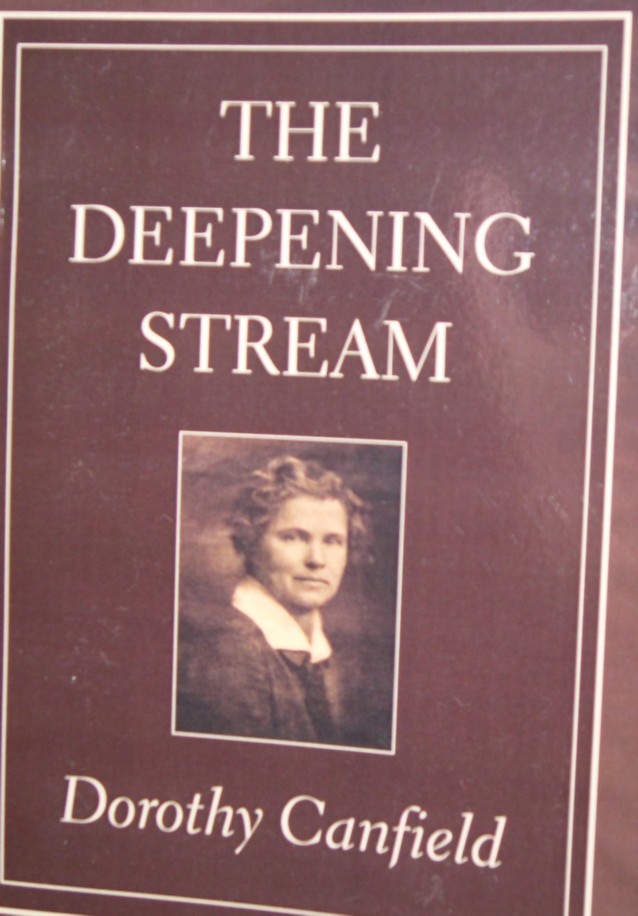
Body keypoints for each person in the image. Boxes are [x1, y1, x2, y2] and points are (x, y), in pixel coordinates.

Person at [176, 455, 370, 745]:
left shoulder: (322, 656)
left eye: (332, 541)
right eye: (293, 537)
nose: (317, 560)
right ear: (251, 542)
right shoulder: (228, 653)